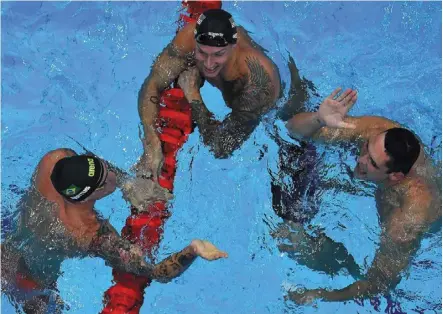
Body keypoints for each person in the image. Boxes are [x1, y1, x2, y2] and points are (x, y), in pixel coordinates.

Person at [1, 148, 228, 313]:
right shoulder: (88, 235)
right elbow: (155, 273)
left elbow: (92, 165)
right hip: (30, 278)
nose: (112, 176)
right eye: (106, 181)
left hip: (6, 238)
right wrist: (193, 250)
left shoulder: (53, 161)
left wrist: (127, 183)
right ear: (90, 195)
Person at [282, 87, 441, 303]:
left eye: (372, 163)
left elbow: (379, 283)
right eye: (365, 149)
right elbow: (292, 129)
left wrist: (320, 295)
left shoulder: (406, 217)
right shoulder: (376, 132)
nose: (360, 159)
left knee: (315, 252)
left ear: (395, 177)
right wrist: (319, 119)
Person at [137, 8, 281, 179]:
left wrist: (193, 95)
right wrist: (151, 139)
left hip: (283, 117)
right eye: (202, 53)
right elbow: (153, 82)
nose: (209, 64)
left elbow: (221, 148)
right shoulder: (189, 37)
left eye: (218, 55)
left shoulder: (259, 81)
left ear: (234, 46)